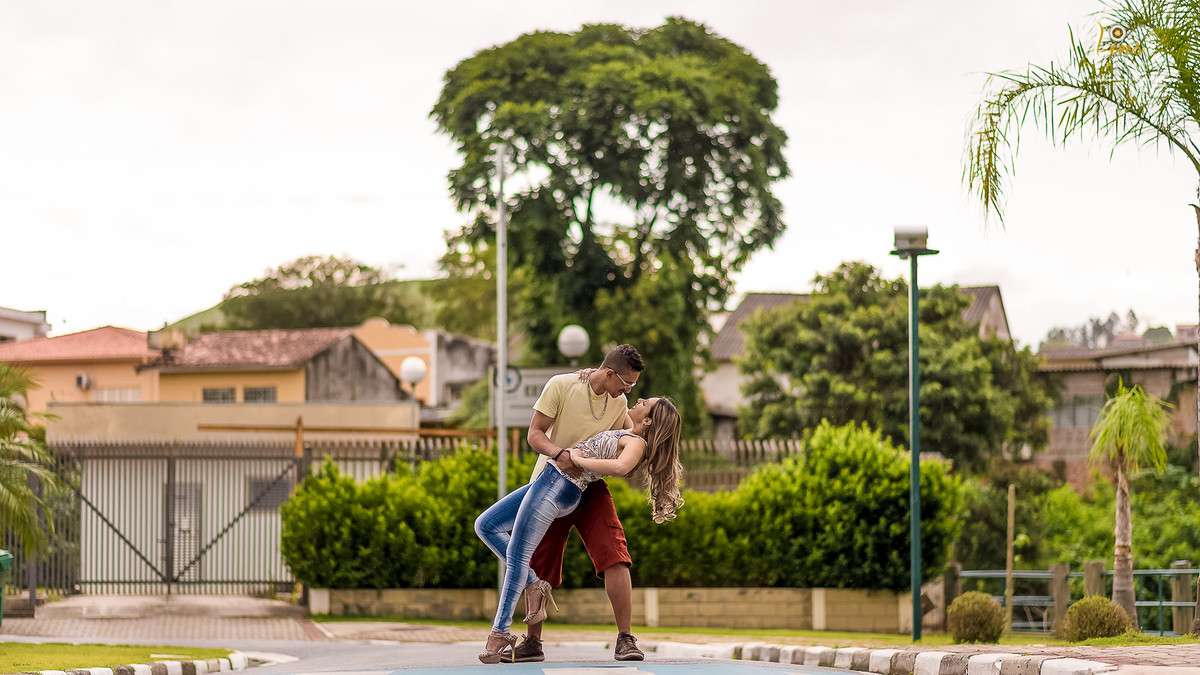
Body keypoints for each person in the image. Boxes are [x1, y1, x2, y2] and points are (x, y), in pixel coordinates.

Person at [474, 395, 684, 664]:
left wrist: (577, 459)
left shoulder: (630, 428)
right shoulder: (607, 405)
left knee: (608, 554)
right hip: (550, 478)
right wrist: (582, 376)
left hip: (568, 485)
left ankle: (623, 636)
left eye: (644, 401)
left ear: (648, 420)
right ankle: (532, 638)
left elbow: (622, 465)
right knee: (504, 536)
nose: (636, 395)